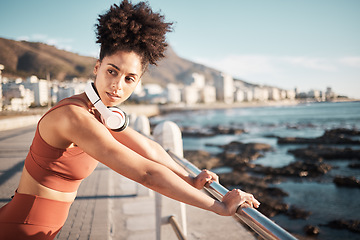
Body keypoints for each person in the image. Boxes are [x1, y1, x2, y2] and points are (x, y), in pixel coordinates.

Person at [0, 1, 260, 239]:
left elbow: (148, 149)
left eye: (129, 78)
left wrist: (189, 179)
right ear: (97, 67)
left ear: (138, 82)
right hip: (21, 229)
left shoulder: (99, 111)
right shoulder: (75, 116)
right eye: (112, 71)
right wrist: (220, 207)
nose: (117, 86)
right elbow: (146, 174)